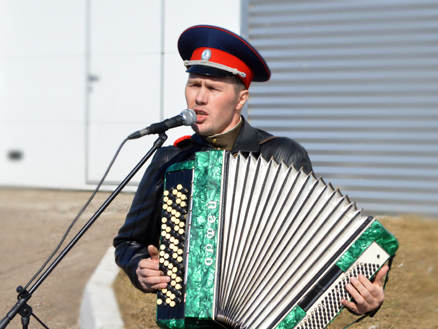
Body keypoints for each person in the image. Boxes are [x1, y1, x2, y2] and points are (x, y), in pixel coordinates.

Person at [113, 25, 387, 317]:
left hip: (267, 315)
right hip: (187, 317)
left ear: (241, 99)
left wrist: (365, 297)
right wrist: (139, 267)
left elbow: (317, 244)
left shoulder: (282, 154)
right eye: (194, 85)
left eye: (213, 88)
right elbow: (128, 242)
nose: (199, 98)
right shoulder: (169, 160)